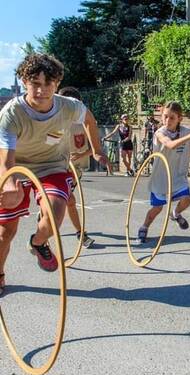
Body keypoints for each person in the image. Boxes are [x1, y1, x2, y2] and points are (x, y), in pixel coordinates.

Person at [0, 54, 108, 293]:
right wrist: (8, 184)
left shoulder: (69, 107)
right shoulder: (12, 113)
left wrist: (98, 151)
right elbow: (6, 159)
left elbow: (90, 120)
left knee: (56, 211)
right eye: (35, 84)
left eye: (48, 84)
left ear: (57, 84)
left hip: (52, 167)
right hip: (18, 168)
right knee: (5, 233)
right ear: (24, 82)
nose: (41, 90)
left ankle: (37, 242)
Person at [137, 101, 190, 243]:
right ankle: (144, 226)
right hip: (161, 177)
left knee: (186, 200)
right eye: (165, 116)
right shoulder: (160, 133)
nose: (167, 120)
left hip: (177, 176)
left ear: (180, 118)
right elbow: (170, 145)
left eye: (172, 117)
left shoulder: (185, 131)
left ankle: (175, 214)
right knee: (157, 208)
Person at [57, 86, 98, 247]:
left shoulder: (85, 123)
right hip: (57, 169)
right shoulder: (55, 123)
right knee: (70, 201)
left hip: (76, 171)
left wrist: (81, 155)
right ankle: (81, 234)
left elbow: (94, 148)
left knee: (67, 201)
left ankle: (45, 218)